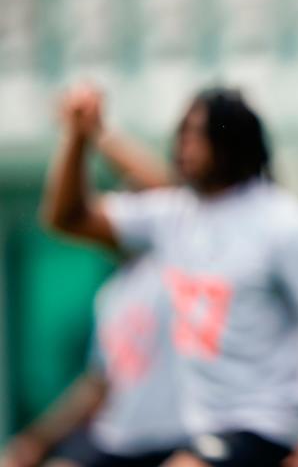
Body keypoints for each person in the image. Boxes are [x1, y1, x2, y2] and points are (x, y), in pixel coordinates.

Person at [41, 84, 298, 467]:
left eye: (196, 134)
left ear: (230, 141)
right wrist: (77, 138)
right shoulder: (174, 216)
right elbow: (68, 218)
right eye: (182, 133)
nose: (183, 145)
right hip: (198, 427)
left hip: (269, 424)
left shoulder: (283, 222)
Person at [1, 92, 184, 467]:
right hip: (119, 437)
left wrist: (97, 134)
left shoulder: (178, 260)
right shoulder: (113, 293)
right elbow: (100, 384)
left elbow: (169, 192)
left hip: (177, 436)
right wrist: (36, 440)